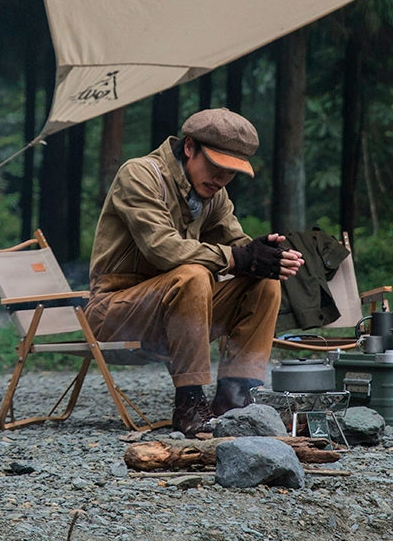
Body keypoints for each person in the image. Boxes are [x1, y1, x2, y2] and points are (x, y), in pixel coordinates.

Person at [86, 107, 304, 437]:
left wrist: (263, 255)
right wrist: (240, 257)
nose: (221, 179)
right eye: (216, 167)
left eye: (231, 173)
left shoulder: (214, 194)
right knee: (193, 274)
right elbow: (163, 249)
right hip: (114, 311)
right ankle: (189, 403)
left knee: (263, 284)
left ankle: (236, 399)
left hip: (178, 310)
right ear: (189, 147)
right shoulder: (140, 175)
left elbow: (238, 247)